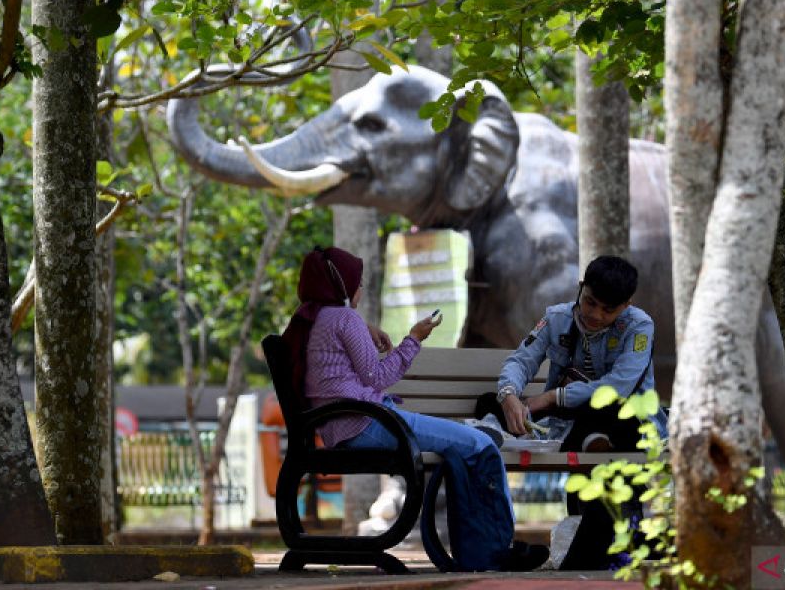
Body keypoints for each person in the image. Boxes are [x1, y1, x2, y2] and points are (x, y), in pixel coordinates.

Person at [283, 244, 548, 572]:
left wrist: (362, 329)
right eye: (359, 282)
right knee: (480, 445)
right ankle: (496, 551)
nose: (361, 289)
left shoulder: (311, 319)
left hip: (344, 427)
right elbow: (379, 376)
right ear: (343, 285)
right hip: (369, 424)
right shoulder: (344, 318)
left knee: (468, 444)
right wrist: (414, 338)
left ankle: (482, 551)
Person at [474, 255, 667, 569]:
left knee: (609, 409)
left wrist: (552, 397)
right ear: (581, 288)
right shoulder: (556, 318)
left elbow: (617, 387)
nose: (595, 315)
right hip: (567, 427)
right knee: (487, 402)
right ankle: (583, 440)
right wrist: (509, 395)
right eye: (590, 302)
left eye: (609, 310)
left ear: (626, 305)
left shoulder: (639, 326)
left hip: (624, 423)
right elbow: (520, 361)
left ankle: (594, 443)